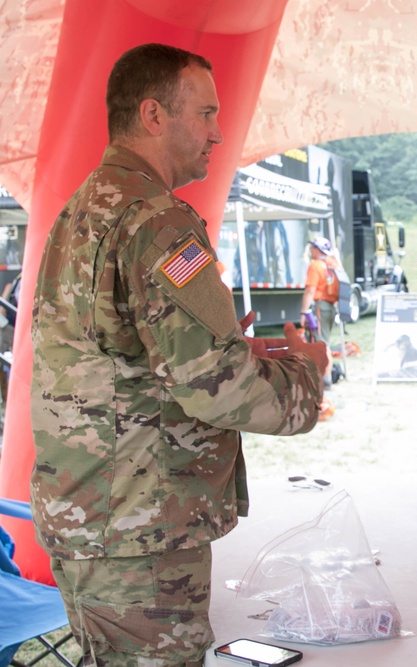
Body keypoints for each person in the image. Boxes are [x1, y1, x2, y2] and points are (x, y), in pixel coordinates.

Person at [30, 43, 329, 666]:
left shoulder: (83, 209)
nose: (219, 133)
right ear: (154, 115)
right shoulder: (158, 222)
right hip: (137, 531)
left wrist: (213, 347)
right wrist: (306, 370)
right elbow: (218, 389)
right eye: (206, 114)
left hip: (91, 516)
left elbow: (113, 356)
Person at [300, 236, 341, 350]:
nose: (310, 250)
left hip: (321, 307)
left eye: (312, 247)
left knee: (320, 344)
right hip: (331, 307)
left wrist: (303, 313)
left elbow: (310, 291)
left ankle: (324, 368)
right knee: (324, 340)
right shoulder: (332, 265)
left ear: (317, 249)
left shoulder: (315, 265)